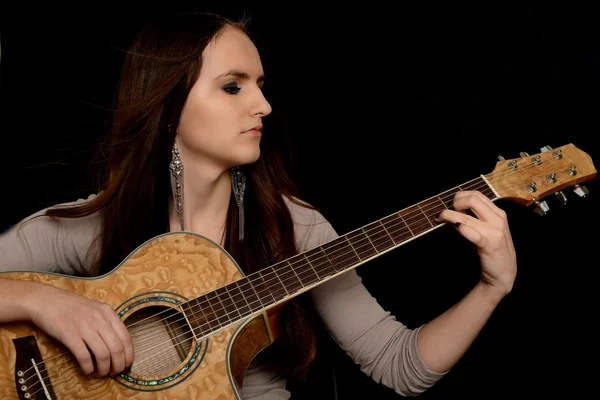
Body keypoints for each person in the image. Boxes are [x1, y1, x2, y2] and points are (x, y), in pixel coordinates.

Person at [0, 11, 517, 399]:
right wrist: (43, 302)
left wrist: (492, 288)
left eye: (261, 86)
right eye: (232, 86)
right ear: (169, 107)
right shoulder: (91, 226)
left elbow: (398, 365)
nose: (263, 106)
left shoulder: (296, 228)